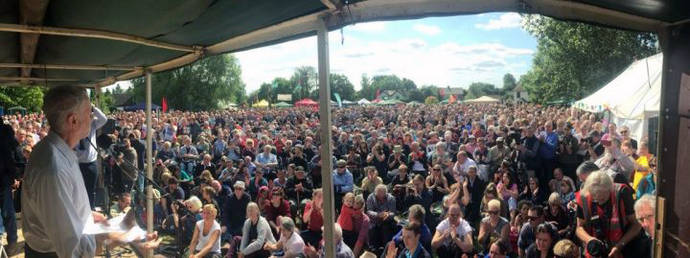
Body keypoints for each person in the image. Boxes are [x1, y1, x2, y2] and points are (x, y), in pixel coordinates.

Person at [21, 86, 128, 257]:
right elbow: (73, 249)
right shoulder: (53, 168)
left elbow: (61, 209)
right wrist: (113, 237)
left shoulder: (58, 151)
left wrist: (89, 215)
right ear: (73, 121)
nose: (92, 117)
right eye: (88, 112)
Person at [575, 171, 641, 258]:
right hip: (597, 252)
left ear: (610, 189)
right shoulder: (583, 196)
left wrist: (619, 245)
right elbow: (579, 228)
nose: (598, 200)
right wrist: (589, 240)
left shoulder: (622, 193)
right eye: (594, 197)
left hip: (623, 248)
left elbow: (636, 224)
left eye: (602, 198)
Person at [73, 104, 107, 210]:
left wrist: (92, 108)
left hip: (91, 163)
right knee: (78, 190)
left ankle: (90, 210)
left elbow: (104, 119)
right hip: (77, 163)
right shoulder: (74, 126)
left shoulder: (92, 124)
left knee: (91, 190)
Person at [366, 184, 397, 250]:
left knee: (386, 230)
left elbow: (393, 213)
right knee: (371, 229)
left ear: (386, 193)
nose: (381, 197)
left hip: (387, 221)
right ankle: (373, 249)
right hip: (374, 220)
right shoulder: (370, 197)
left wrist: (387, 215)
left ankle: (386, 249)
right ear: (375, 193)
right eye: (379, 195)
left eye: (383, 195)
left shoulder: (391, 198)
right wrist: (378, 214)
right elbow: (369, 211)